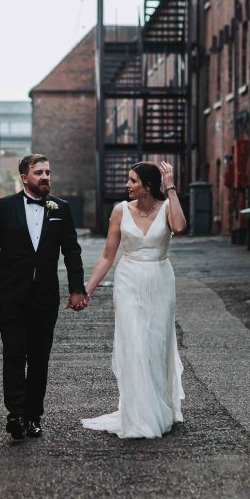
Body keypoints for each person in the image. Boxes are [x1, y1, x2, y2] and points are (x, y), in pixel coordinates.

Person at [0, 154, 87, 441]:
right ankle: (15, 414)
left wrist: (77, 289)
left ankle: (33, 416)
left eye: (48, 172)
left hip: (45, 298)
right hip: (11, 296)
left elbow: (72, 251)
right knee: (14, 354)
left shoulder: (60, 209)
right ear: (24, 177)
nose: (45, 177)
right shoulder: (4, 207)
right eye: (39, 172)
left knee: (39, 359)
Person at [81, 161, 186, 439]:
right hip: (128, 282)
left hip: (160, 282)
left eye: (133, 181)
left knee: (155, 347)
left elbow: (180, 226)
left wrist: (171, 188)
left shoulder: (166, 208)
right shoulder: (119, 211)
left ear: (148, 185)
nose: (127, 185)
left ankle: (158, 406)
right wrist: (88, 289)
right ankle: (139, 416)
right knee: (135, 347)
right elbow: (107, 256)